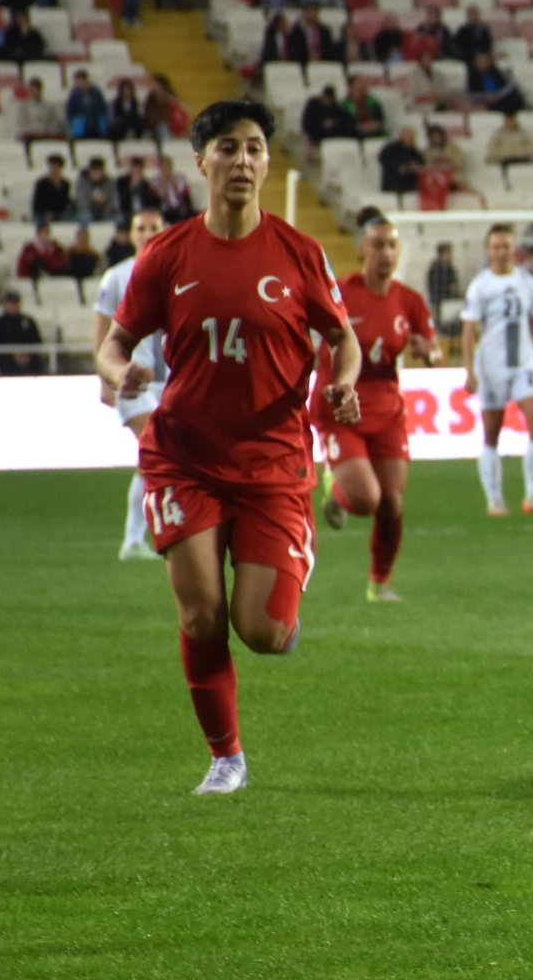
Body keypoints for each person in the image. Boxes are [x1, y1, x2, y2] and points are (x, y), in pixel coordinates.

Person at [97, 100, 361, 796]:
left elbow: (342, 337)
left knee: (263, 632)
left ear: (267, 162)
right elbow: (114, 342)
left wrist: (342, 383)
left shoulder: (300, 254)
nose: (242, 160)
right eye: (227, 148)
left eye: (253, 148)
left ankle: (286, 587)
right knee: (200, 612)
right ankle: (226, 758)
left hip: (273, 463)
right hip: (183, 456)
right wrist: (119, 372)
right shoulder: (167, 254)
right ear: (201, 162)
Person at [315, 208, 443, 600]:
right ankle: (335, 488)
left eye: (392, 245)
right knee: (365, 499)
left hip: (387, 410)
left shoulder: (409, 301)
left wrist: (429, 351)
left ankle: (379, 583)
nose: (386, 253)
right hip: (341, 405)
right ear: (361, 249)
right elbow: (310, 335)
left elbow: (436, 352)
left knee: (391, 504)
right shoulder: (341, 292)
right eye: (378, 245)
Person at [459, 225, 533, 517]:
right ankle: (494, 500)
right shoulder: (480, 286)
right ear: (488, 251)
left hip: (524, 364)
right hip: (491, 368)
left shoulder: (527, 282)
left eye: (506, 246)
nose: (501, 252)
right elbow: (468, 332)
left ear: (514, 249)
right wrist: (469, 371)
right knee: (491, 434)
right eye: (496, 247)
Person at [94, 208, 170, 560]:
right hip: (130, 380)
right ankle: (148, 534)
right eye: (141, 228)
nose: (148, 233)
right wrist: (105, 379)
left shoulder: (177, 271)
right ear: (132, 233)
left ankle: (135, 540)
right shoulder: (117, 276)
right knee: (158, 447)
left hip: (170, 380)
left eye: (154, 227)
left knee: (152, 458)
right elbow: (102, 330)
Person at [0, 289, 46, 375]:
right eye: (10, 303)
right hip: (5, 360)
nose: (13, 306)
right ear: (5, 304)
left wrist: (27, 355)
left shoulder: (28, 321)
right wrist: (13, 355)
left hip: (28, 360)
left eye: (15, 303)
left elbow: (37, 342)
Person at [378, 127, 424, 194]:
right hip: (392, 185)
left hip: (410, 186)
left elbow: (420, 165)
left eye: (411, 136)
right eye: (407, 135)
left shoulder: (415, 152)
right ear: (402, 136)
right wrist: (398, 167)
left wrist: (415, 167)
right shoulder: (391, 149)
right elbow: (383, 159)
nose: (410, 138)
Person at [66, 70, 110, 140]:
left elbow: (102, 109)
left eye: (81, 80)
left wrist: (103, 124)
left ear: (86, 80)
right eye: (77, 81)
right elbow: (70, 112)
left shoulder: (96, 93)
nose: (79, 83)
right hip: (81, 128)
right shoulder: (74, 95)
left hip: (96, 126)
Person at [75, 158, 120, 224]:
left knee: (119, 217)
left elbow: (115, 199)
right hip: (87, 211)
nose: (97, 174)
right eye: (94, 171)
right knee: (85, 216)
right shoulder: (82, 183)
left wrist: (109, 206)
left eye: (99, 171)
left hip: (105, 212)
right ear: (90, 171)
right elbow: (81, 202)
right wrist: (94, 200)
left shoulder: (109, 182)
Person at [154, 155, 195, 223]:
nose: (165, 169)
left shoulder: (179, 178)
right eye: (163, 167)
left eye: (167, 166)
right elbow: (154, 198)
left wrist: (172, 183)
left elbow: (186, 194)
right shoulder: (156, 182)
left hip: (180, 208)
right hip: (165, 210)